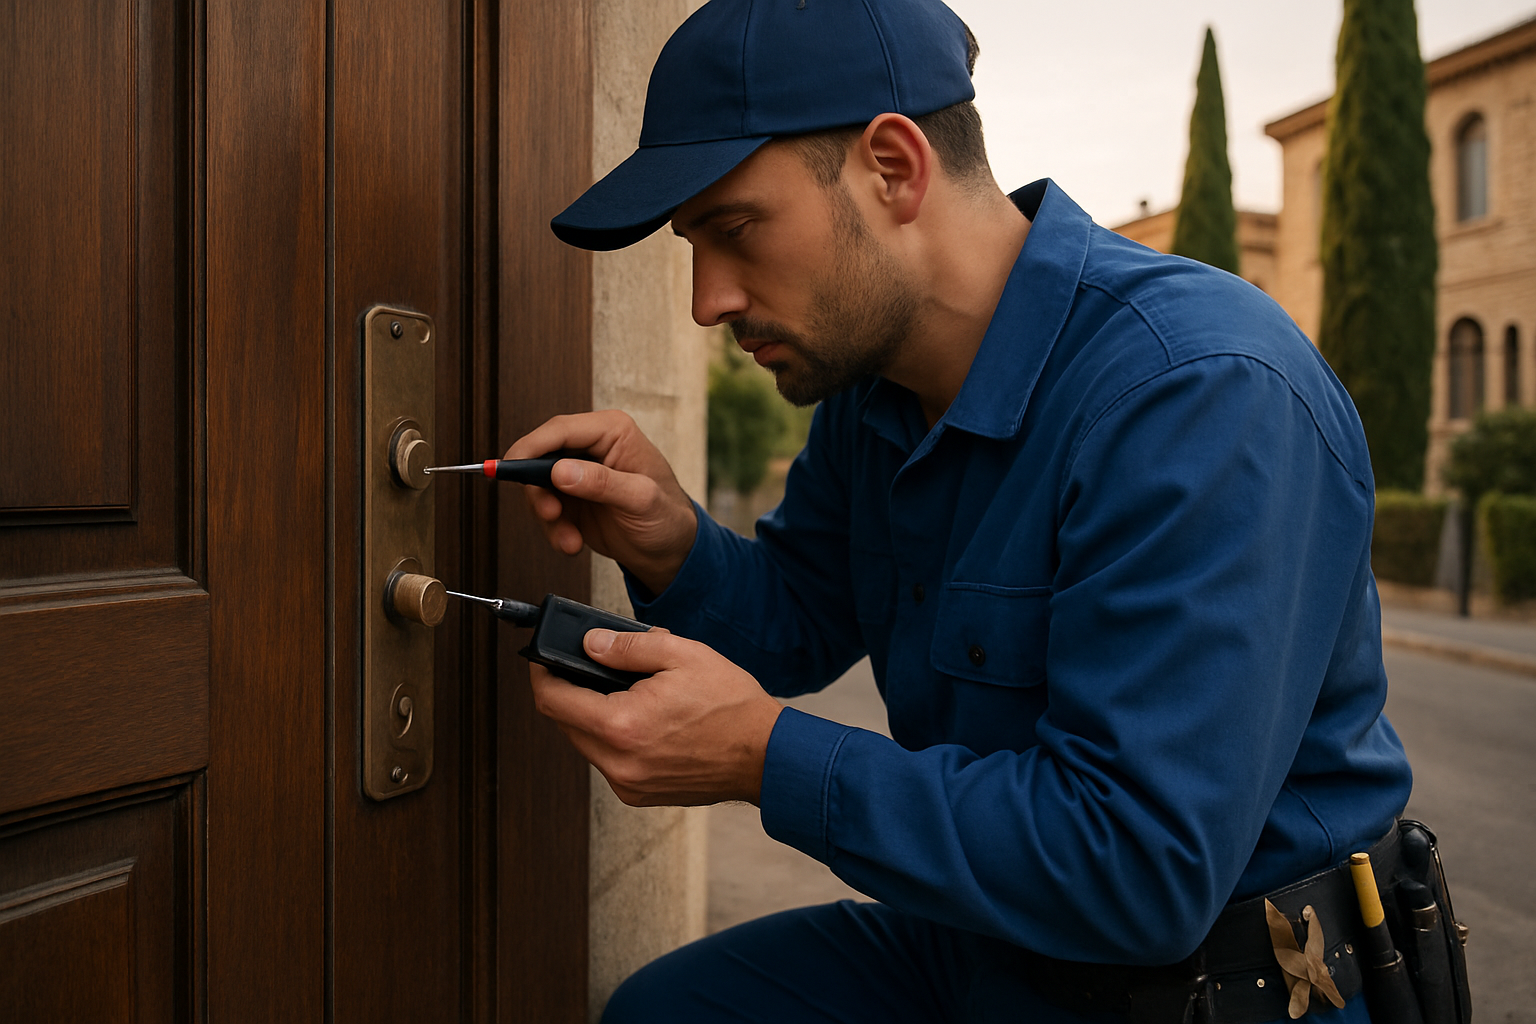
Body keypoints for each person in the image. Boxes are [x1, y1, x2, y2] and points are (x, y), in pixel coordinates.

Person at [507, 1, 1414, 1021]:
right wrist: (670, 540)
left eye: (733, 230)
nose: (706, 300)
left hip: (1218, 981)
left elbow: (1138, 870)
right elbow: (798, 622)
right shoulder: (874, 385)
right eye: (691, 245)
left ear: (893, 167)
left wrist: (764, 755)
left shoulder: (1198, 390)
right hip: (988, 943)